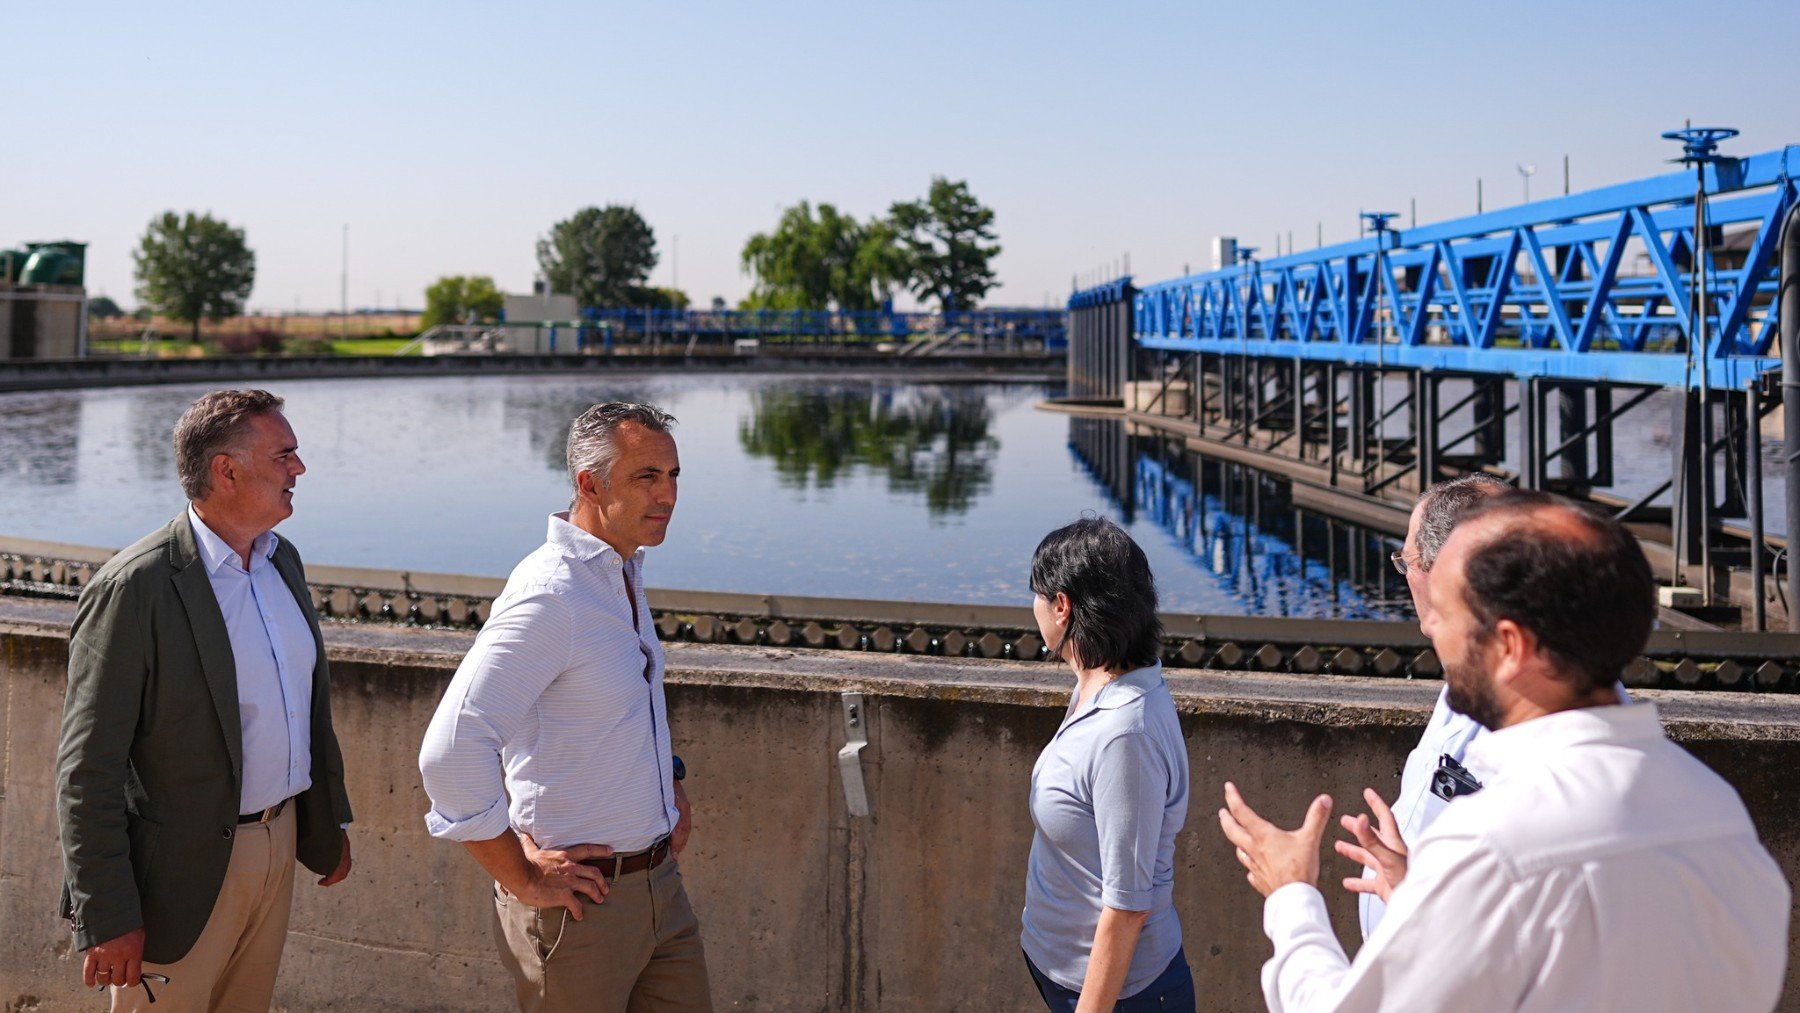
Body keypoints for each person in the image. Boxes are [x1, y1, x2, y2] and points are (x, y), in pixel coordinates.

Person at [1218, 490, 1791, 1011]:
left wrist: (1292, 895)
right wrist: (1430, 904)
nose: (1431, 627)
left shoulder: (1494, 846)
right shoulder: (1718, 812)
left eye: (1446, 612)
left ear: (1510, 646)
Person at [56, 388, 355, 1011]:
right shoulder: (135, 588)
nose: (299, 469)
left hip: (278, 842)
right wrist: (107, 913)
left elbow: (304, 709)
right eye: (285, 455)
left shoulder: (281, 562)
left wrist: (326, 824)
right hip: (178, 874)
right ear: (227, 470)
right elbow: (88, 769)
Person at [419, 402, 709, 1012]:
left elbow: (612, 711)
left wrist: (668, 781)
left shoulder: (617, 572)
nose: (669, 494)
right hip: (582, 911)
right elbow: (451, 751)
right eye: (647, 477)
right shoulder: (553, 594)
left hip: (660, 890)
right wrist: (519, 873)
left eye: (674, 474)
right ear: (589, 483)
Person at [1021, 518, 1194, 1012]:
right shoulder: (1097, 685)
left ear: (1062, 606)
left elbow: (1127, 904)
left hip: (1121, 997)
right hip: (1065, 973)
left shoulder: (1125, 734)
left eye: (1037, 595)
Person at [1354, 474, 1506, 937]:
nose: (1407, 577)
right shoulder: (1463, 677)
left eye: (1407, 561)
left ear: (1443, 573)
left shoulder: (1523, 712)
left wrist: (1291, 899)